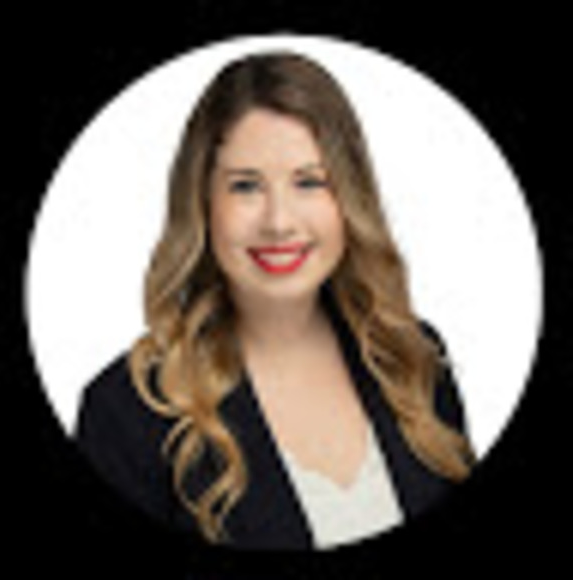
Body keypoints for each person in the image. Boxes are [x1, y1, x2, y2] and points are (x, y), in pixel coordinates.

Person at [75, 50, 477, 550]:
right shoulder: (125, 411)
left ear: (349, 198)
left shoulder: (413, 358)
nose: (279, 221)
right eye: (245, 186)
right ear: (202, 203)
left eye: (309, 181)